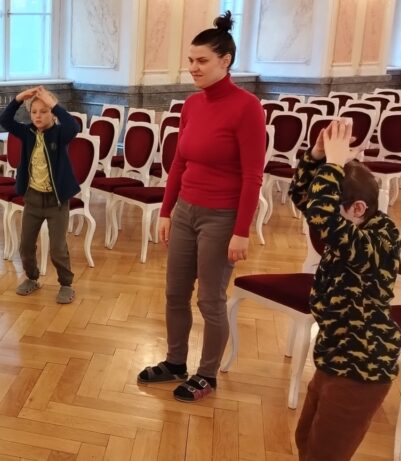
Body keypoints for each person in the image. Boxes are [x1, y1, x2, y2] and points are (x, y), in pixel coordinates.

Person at [136, 11, 266, 402]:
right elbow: (179, 162)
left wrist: (241, 231)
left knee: (210, 300)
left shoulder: (247, 107)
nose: (193, 67)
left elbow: (253, 176)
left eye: (202, 60)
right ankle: (175, 362)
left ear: (225, 61)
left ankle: (207, 374)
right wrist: (166, 210)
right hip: (186, 211)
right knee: (175, 293)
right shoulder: (192, 105)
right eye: (190, 60)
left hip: (221, 217)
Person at [290, 120, 401, 461]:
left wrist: (336, 164)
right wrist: (317, 157)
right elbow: (307, 200)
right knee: (306, 441)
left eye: (334, 207)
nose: (320, 218)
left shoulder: (378, 240)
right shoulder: (353, 224)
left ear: (357, 209)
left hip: (362, 369)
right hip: (334, 356)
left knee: (325, 454)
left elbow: (323, 217)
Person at [0, 86, 82, 304]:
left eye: (44, 111)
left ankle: (66, 284)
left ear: (52, 113)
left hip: (56, 202)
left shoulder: (60, 134)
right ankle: (32, 278)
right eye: (34, 112)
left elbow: (74, 127)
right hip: (33, 199)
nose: (38, 116)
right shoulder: (27, 133)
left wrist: (53, 104)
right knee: (25, 246)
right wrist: (18, 99)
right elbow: (4, 120)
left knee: (57, 248)